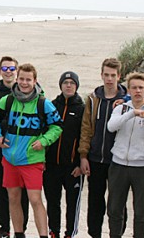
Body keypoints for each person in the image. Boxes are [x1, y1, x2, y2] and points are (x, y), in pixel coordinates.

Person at [0, 63, 63, 238]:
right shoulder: (8, 100)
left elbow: (57, 126)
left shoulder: (43, 103)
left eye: (28, 79)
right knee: (13, 198)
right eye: (21, 78)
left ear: (35, 81)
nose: (24, 83)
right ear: (17, 78)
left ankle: (43, 235)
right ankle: (19, 234)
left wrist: (44, 141)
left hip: (32, 160)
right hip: (10, 158)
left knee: (35, 200)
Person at [106, 72, 144, 238]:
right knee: (115, 209)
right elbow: (111, 126)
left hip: (143, 167)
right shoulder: (121, 108)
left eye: (140, 88)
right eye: (134, 88)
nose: (137, 91)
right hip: (119, 165)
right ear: (128, 90)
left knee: (140, 212)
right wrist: (132, 113)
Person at [78, 58, 128, 238]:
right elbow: (86, 128)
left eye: (113, 75)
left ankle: (117, 234)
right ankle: (94, 234)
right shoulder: (93, 99)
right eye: (106, 75)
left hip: (118, 160)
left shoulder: (126, 99)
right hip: (95, 158)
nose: (109, 79)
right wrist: (83, 156)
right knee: (95, 201)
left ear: (119, 76)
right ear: (101, 75)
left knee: (117, 203)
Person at [0, 56, 28, 238]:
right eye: (5, 69)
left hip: (24, 151)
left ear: (17, 72)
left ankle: (21, 229)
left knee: (23, 192)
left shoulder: (31, 92)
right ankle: (4, 227)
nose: (8, 72)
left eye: (12, 69)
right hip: (2, 148)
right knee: (2, 190)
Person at [43, 71, 84, 238]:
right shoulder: (51, 106)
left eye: (72, 83)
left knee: (72, 203)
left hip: (72, 167)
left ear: (76, 86)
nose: (69, 85)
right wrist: (43, 159)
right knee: (53, 202)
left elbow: (85, 137)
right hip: (51, 165)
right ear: (61, 85)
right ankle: (54, 231)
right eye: (65, 82)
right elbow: (44, 132)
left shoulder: (82, 108)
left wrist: (80, 163)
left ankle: (70, 234)